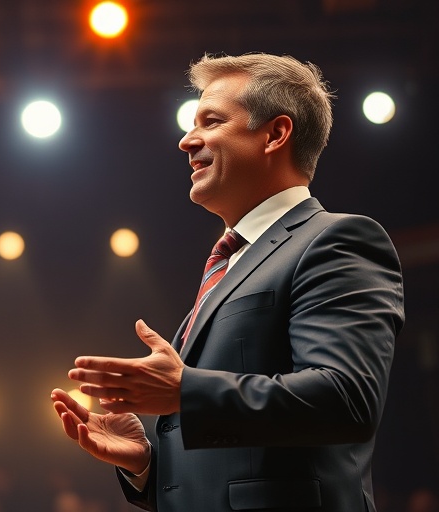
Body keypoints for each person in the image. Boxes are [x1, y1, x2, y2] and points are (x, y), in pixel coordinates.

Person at [51, 52, 404, 511]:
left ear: (275, 134)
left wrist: (184, 391)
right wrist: (146, 465)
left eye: (210, 121)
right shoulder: (232, 261)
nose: (185, 140)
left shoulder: (336, 240)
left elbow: (346, 398)